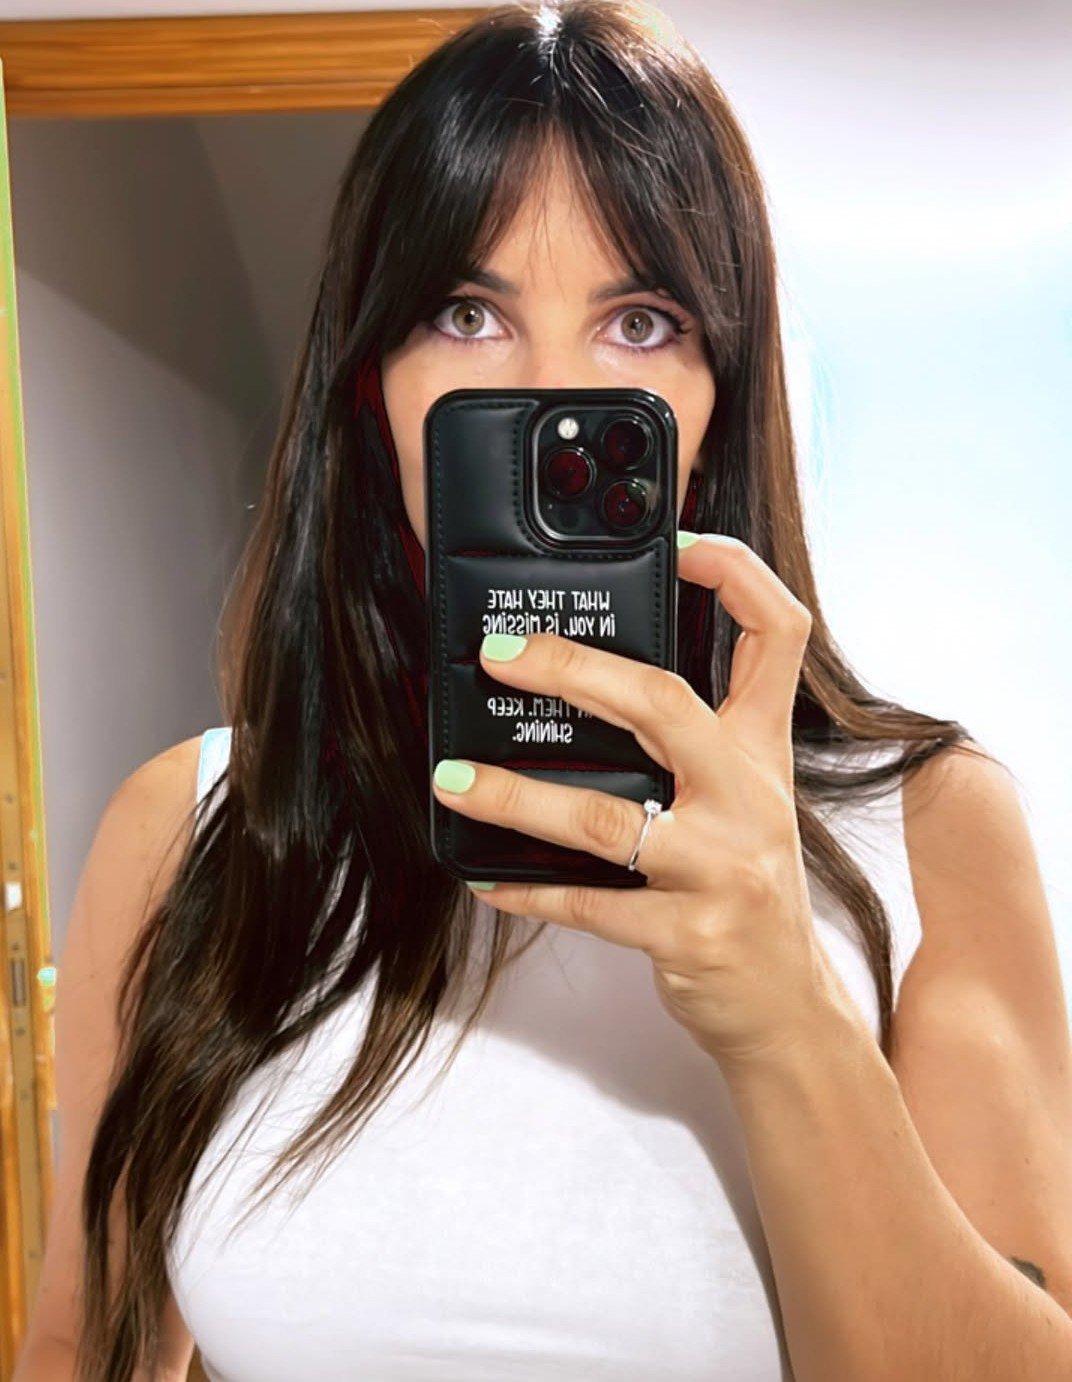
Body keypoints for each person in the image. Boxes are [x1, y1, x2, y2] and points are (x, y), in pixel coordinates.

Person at [16, 1, 1072, 1379]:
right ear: (370, 388)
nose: (550, 403)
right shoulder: (188, 826)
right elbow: (80, 1340)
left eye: (638, 323)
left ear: (716, 402)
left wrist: (788, 1013)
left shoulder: (925, 823)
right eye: (468, 315)